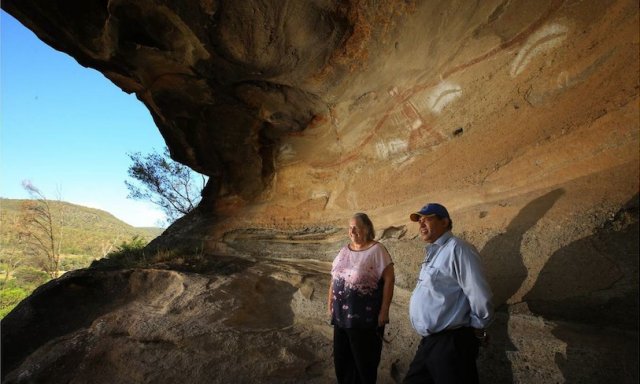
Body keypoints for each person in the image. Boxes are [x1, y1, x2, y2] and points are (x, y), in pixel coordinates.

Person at [403, 203, 494, 384]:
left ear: (444, 222)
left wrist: (477, 327)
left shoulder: (458, 249)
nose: (421, 225)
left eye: (427, 219)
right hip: (430, 343)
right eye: (419, 221)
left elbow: (479, 292)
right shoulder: (434, 253)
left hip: (452, 342)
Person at [328, 212, 395, 384]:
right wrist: (330, 303)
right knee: (342, 362)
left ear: (366, 229)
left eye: (356, 227)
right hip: (341, 318)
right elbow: (334, 277)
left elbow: (389, 279)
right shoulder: (344, 250)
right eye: (350, 228)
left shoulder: (377, 250)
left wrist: (384, 311)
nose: (352, 231)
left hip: (364, 319)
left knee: (364, 363)